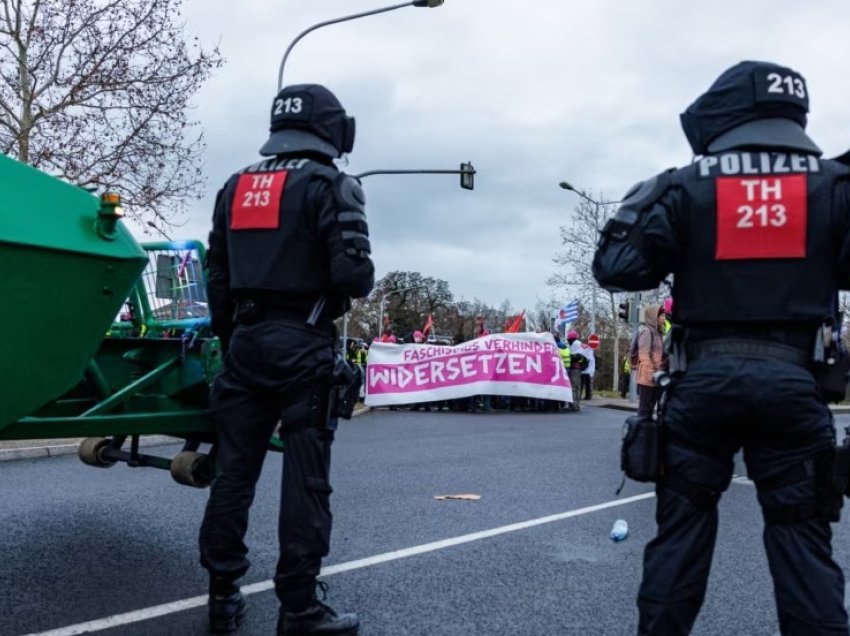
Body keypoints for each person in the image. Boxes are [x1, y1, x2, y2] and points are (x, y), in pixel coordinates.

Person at [593, 61, 850, 635]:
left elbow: (615, 267)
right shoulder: (834, 185)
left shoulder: (685, 185)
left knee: (679, 541)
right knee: (804, 549)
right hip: (795, 384)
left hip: (701, 384)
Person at [201, 83, 373, 636]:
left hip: (246, 346)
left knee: (233, 474)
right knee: (305, 481)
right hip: (303, 345)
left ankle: (222, 594)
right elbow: (354, 276)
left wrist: (235, 339)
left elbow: (218, 279)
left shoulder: (235, 186)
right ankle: (298, 607)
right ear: (332, 130)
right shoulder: (331, 185)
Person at [635, 304, 665, 418]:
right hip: (648, 379)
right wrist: (652, 373)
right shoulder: (646, 331)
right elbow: (643, 355)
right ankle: (642, 434)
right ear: (653, 317)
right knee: (645, 411)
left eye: (663, 316)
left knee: (661, 410)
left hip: (658, 377)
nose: (663, 318)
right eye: (661, 316)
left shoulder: (659, 333)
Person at [566, 330, 586, 411]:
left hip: (575, 369)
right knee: (577, 387)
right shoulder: (579, 345)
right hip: (578, 370)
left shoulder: (576, 345)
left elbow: (574, 357)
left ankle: (574, 404)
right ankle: (576, 404)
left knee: (574, 387)